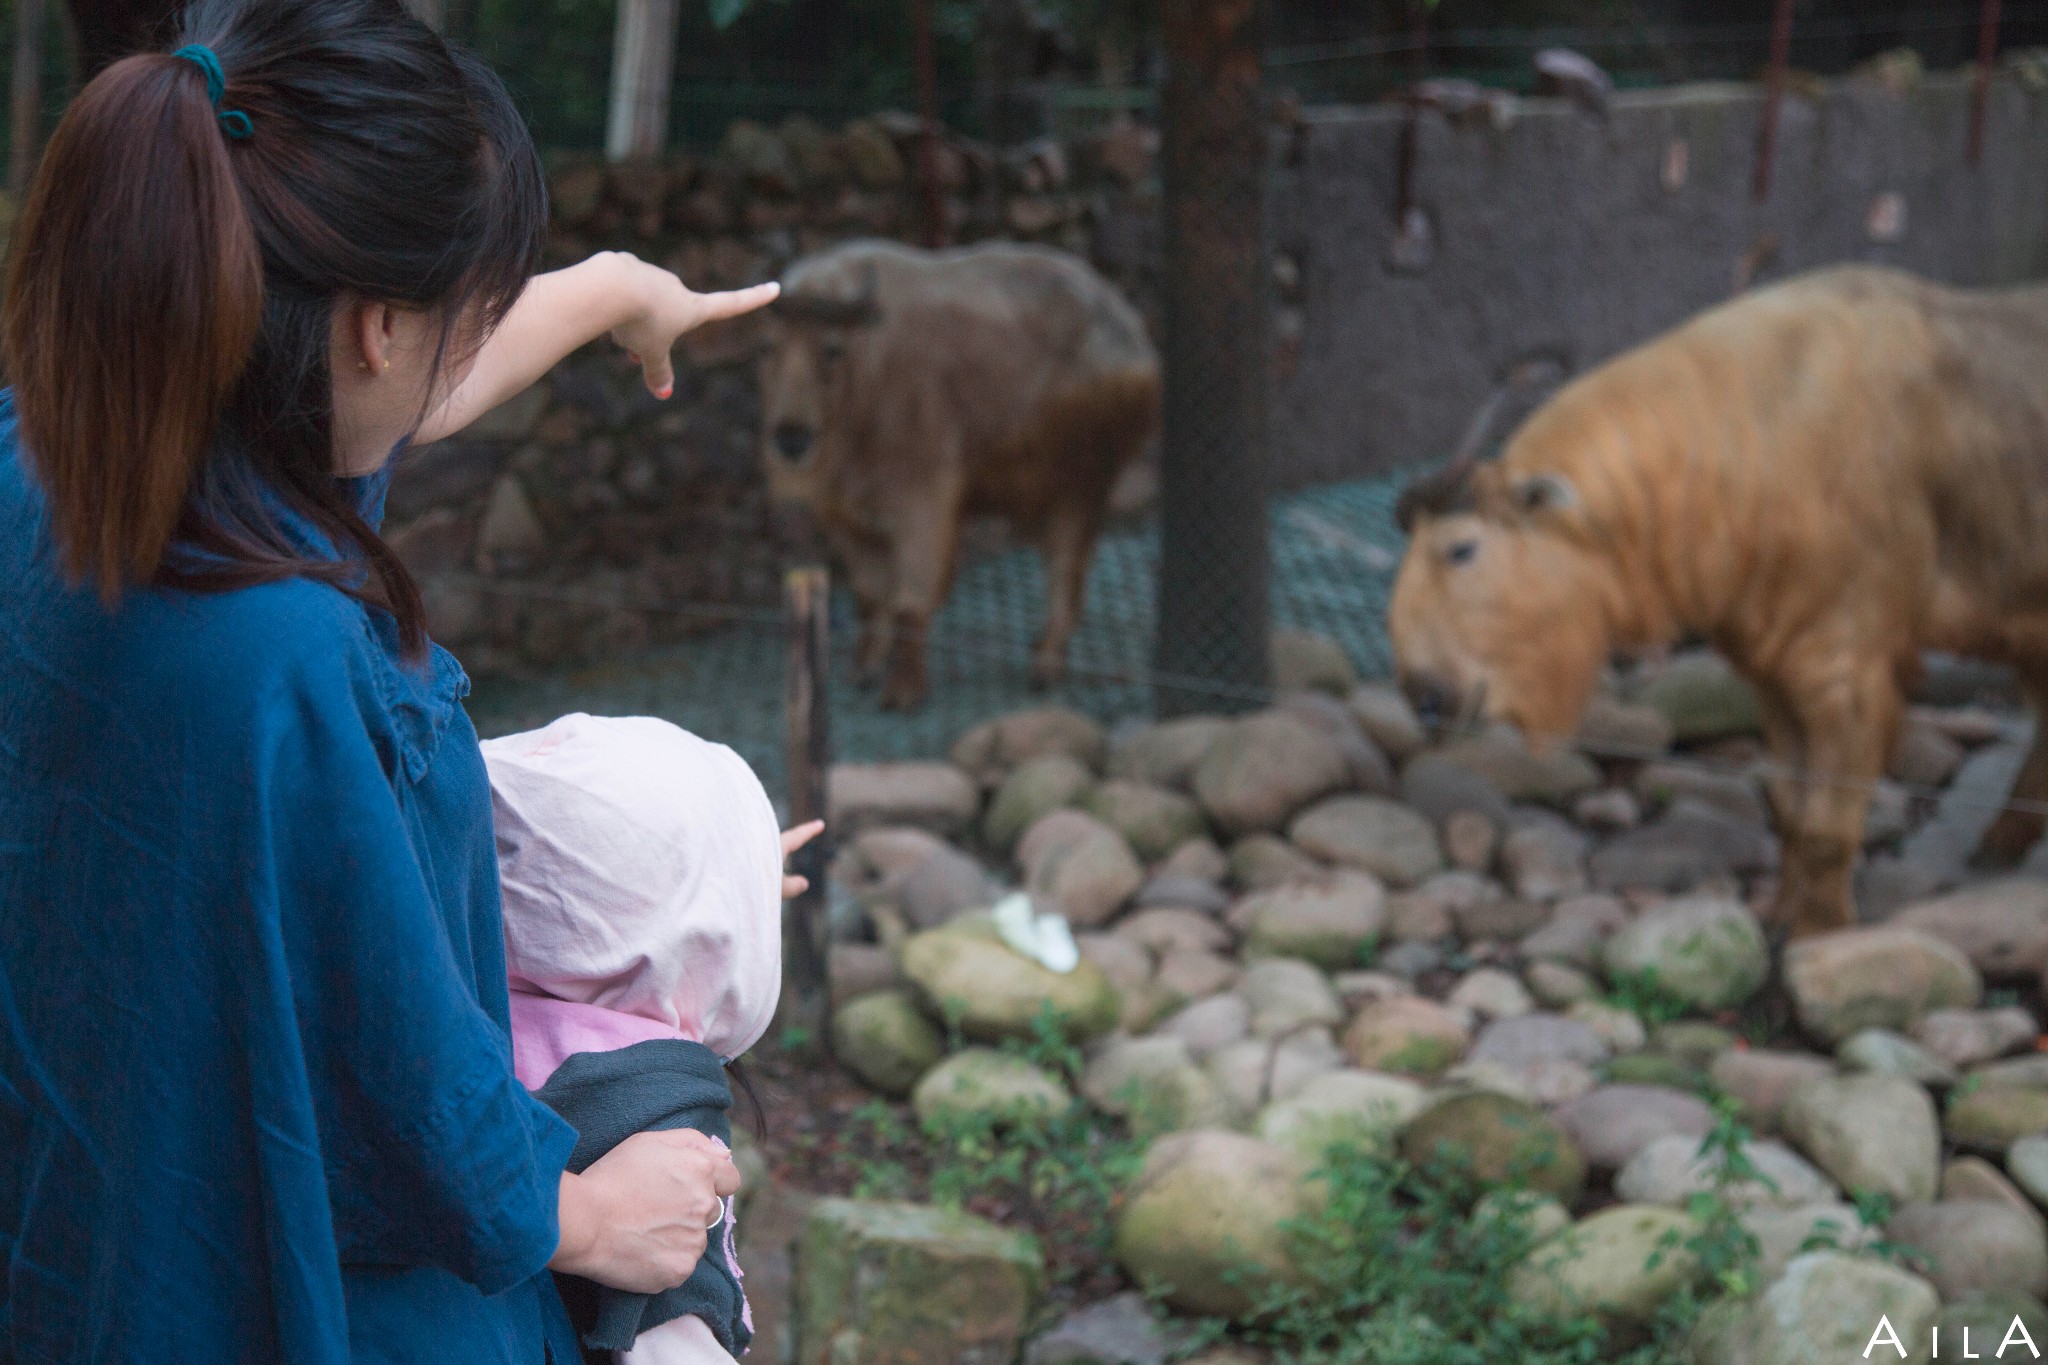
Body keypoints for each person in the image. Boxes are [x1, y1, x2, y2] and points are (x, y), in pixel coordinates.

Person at [0, 1, 784, 1360]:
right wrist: (586, 1216)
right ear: (368, 330)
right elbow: (399, 1060)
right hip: (254, 1285)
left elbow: (399, 401)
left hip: (62, 1220)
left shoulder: (57, 453)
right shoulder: (281, 653)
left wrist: (612, 291)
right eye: (453, 319)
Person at [482, 713, 812, 1365]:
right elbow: (673, 1344)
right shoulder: (654, 1109)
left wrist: (726, 877)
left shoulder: (463, 1024)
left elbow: (574, 893)